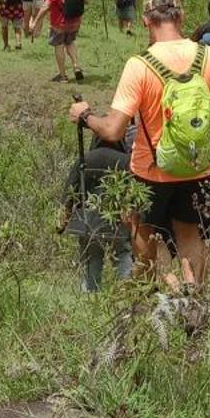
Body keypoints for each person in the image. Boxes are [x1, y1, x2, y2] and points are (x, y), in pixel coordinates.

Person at [70, 0, 210, 289]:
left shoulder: (139, 65)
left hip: (150, 170)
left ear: (146, 22)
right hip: (198, 167)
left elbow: (113, 131)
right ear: (182, 17)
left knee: (143, 228)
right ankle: (195, 299)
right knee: (190, 233)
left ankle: (166, 290)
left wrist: (84, 115)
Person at [60, 123, 134, 292]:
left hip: (88, 222)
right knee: (123, 255)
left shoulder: (84, 160)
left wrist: (61, 224)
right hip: (118, 222)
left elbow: (69, 195)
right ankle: (127, 295)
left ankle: (89, 299)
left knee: (91, 260)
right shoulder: (127, 162)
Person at [30, 0, 86, 83]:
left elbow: (46, 6)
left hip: (59, 23)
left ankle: (63, 76)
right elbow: (84, 0)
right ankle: (76, 66)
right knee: (70, 42)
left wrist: (35, 22)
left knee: (59, 46)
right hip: (74, 21)